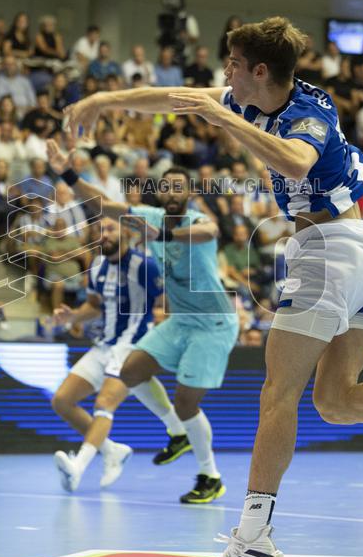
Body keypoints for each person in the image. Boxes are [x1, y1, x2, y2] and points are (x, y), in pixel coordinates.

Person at [63, 16, 363, 557]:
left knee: (277, 395)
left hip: (330, 251)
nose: (225, 73)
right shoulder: (254, 99)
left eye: (233, 65)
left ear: (258, 70)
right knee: (333, 400)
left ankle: (252, 538)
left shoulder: (306, 113)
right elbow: (175, 98)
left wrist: (219, 113)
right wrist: (106, 97)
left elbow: (295, 160)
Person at [46, 145, 238, 504]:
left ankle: (209, 475)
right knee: (131, 371)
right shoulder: (149, 214)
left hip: (213, 323)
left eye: (179, 187)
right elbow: (104, 204)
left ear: (190, 193)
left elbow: (210, 233)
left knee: (186, 402)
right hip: (180, 322)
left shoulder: (196, 221)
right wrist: (68, 175)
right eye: (167, 187)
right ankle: (177, 433)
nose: (173, 193)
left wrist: (162, 235)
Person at [49, 217, 191, 488]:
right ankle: (111, 451)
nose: (104, 234)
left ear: (125, 232)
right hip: (104, 345)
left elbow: (168, 303)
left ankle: (77, 468)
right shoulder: (97, 265)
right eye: (99, 230)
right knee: (62, 401)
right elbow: (93, 306)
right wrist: (72, 318)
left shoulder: (145, 266)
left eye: (111, 228)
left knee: (105, 404)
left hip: (133, 347)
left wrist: (167, 342)